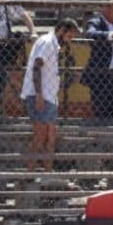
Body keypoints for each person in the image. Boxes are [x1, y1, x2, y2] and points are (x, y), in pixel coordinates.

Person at [21, 18, 80, 172]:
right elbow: (36, 68)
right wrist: (39, 94)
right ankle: (30, 173)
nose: (70, 41)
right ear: (62, 31)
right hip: (39, 95)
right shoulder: (47, 43)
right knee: (41, 134)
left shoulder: (53, 45)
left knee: (51, 135)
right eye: (69, 36)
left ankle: (48, 172)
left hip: (49, 96)